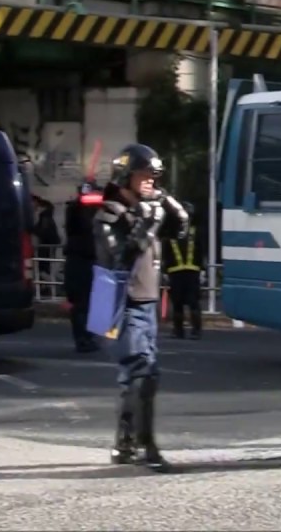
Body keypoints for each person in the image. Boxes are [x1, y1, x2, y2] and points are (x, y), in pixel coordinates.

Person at [94, 143, 189, 473]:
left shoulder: (149, 208)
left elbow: (181, 227)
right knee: (143, 372)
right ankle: (145, 444)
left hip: (147, 304)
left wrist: (164, 202)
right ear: (126, 176)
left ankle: (124, 444)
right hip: (122, 305)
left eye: (154, 176)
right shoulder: (110, 214)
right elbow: (119, 257)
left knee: (133, 377)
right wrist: (147, 224)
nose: (150, 180)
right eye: (144, 175)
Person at [63, 180, 101, 353]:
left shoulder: (99, 212)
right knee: (80, 303)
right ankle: (82, 338)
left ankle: (90, 336)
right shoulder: (75, 211)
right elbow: (74, 216)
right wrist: (82, 199)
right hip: (78, 261)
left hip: (94, 260)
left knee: (94, 303)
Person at [163, 202, 203, 340]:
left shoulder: (195, 232)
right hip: (178, 272)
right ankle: (180, 330)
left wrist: (202, 270)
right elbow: (165, 254)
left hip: (188, 272)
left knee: (191, 303)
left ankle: (193, 331)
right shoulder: (171, 234)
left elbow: (201, 251)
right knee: (179, 303)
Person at [32, 197, 62, 290]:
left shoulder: (44, 216)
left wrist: (31, 229)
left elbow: (43, 231)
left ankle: (55, 286)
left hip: (46, 246)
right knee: (44, 268)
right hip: (50, 245)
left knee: (42, 268)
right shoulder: (47, 215)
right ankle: (49, 287)